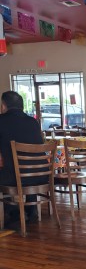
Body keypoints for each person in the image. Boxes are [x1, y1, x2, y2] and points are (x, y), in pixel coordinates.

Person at [0, 91, 45, 227]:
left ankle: (13, 212)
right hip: (41, 176)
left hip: (16, 178)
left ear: (3, 106)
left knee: (8, 171)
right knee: (23, 167)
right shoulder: (33, 122)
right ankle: (31, 210)